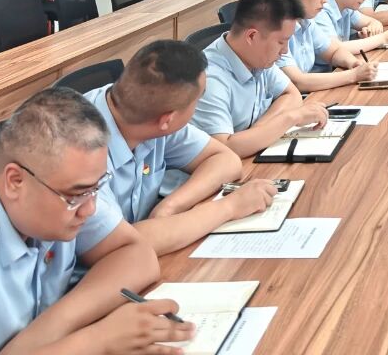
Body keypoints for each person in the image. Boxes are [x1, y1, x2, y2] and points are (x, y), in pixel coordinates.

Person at [0, 87, 193, 355]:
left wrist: (49, 330)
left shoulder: (57, 178)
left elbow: (137, 255)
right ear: (15, 181)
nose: (90, 209)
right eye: (77, 195)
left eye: (96, 189)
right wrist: (96, 341)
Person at [81, 40, 279, 256]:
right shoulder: (80, 149)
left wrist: (170, 207)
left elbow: (225, 160)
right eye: (197, 101)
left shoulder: (147, 111)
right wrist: (230, 207)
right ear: (168, 120)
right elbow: (121, 246)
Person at [189, 0, 330, 161]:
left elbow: (291, 94)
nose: (285, 50)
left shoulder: (257, 57)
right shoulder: (210, 79)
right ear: (252, 36)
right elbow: (224, 149)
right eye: (281, 42)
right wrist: (290, 119)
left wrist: (258, 133)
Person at [277, 0, 381, 91]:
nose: (325, 0)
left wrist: (354, 63)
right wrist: (354, 75)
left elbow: (334, 51)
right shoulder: (276, 27)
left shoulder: (306, 21)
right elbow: (297, 81)